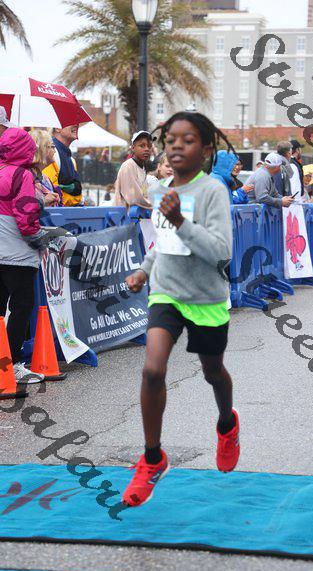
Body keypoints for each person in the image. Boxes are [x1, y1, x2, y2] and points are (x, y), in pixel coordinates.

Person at [122, 111, 238, 507]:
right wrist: (144, 270)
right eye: (170, 139)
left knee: (213, 372)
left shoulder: (213, 191)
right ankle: (152, 458)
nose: (175, 146)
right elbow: (163, 243)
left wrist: (181, 220)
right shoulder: (162, 190)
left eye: (187, 140)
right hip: (167, 291)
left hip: (205, 297)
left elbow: (221, 253)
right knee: (152, 370)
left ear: (205, 150)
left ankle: (227, 424)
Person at [0, 128, 48, 383]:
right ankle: (13, 365)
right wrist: (42, 240)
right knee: (21, 308)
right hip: (17, 253)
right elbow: (26, 220)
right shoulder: (23, 175)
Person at [43, 125, 82, 206]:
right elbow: (51, 192)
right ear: (58, 128)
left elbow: (78, 191)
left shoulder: (71, 159)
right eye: (71, 121)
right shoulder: (50, 154)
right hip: (57, 211)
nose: (76, 125)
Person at [114, 131, 153, 210]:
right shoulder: (128, 166)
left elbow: (144, 193)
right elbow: (134, 197)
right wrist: (154, 205)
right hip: (125, 214)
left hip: (138, 213)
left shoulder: (142, 167)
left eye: (149, 146)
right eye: (142, 146)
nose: (147, 149)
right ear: (133, 148)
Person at [29, 130, 62, 207]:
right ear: (42, 149)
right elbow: (23, 207)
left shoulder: (45, 178)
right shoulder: (26, 176)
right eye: (52, 146)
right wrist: (44, 201)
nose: (55, 151)